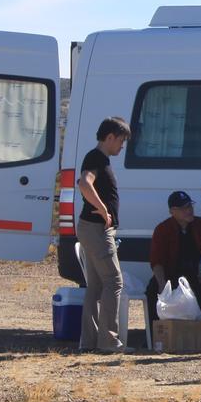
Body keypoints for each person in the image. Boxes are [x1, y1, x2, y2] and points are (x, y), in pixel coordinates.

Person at [76, 116, 132, 353]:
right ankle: (109, 341)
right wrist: (102, 208)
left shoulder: (100, 158)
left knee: (97, 285)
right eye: (121, 140)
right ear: (110, 137)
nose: (122, 145)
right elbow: (84, 183)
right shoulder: (95, 158)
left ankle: (89, 342)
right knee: (114, 281)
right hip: (96, 228)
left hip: (91, 228)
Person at [146, 190, 201, 325]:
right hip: (172, 276)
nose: (188, 210)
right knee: (153, 290)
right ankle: (157, 335)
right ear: (172, 211)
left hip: (199, 276)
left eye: (190, 206)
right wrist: (162, 284)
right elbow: (157, 261)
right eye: (183, 208)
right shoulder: (163, 229)